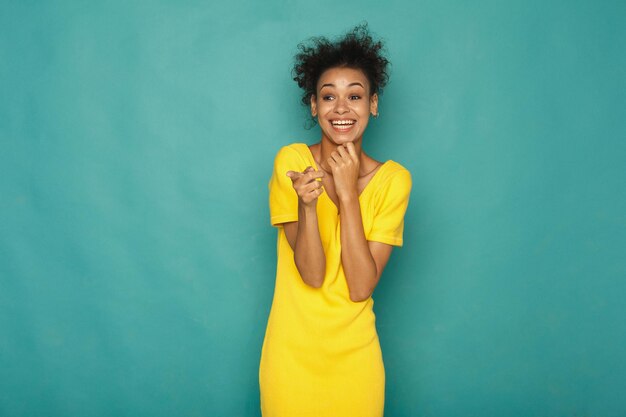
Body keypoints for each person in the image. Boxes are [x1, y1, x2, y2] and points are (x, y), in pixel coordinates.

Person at [259, 24, 412, 417]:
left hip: (355, 364)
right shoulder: (292, 164)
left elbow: (360, 286)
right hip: (290, 360)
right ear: (314, 106)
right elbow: (312, 275)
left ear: (373, 104)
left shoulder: (393, 181)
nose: (341, 109)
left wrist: (346, 194)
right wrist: (308, 207)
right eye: (329, 96)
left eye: (355, 96)